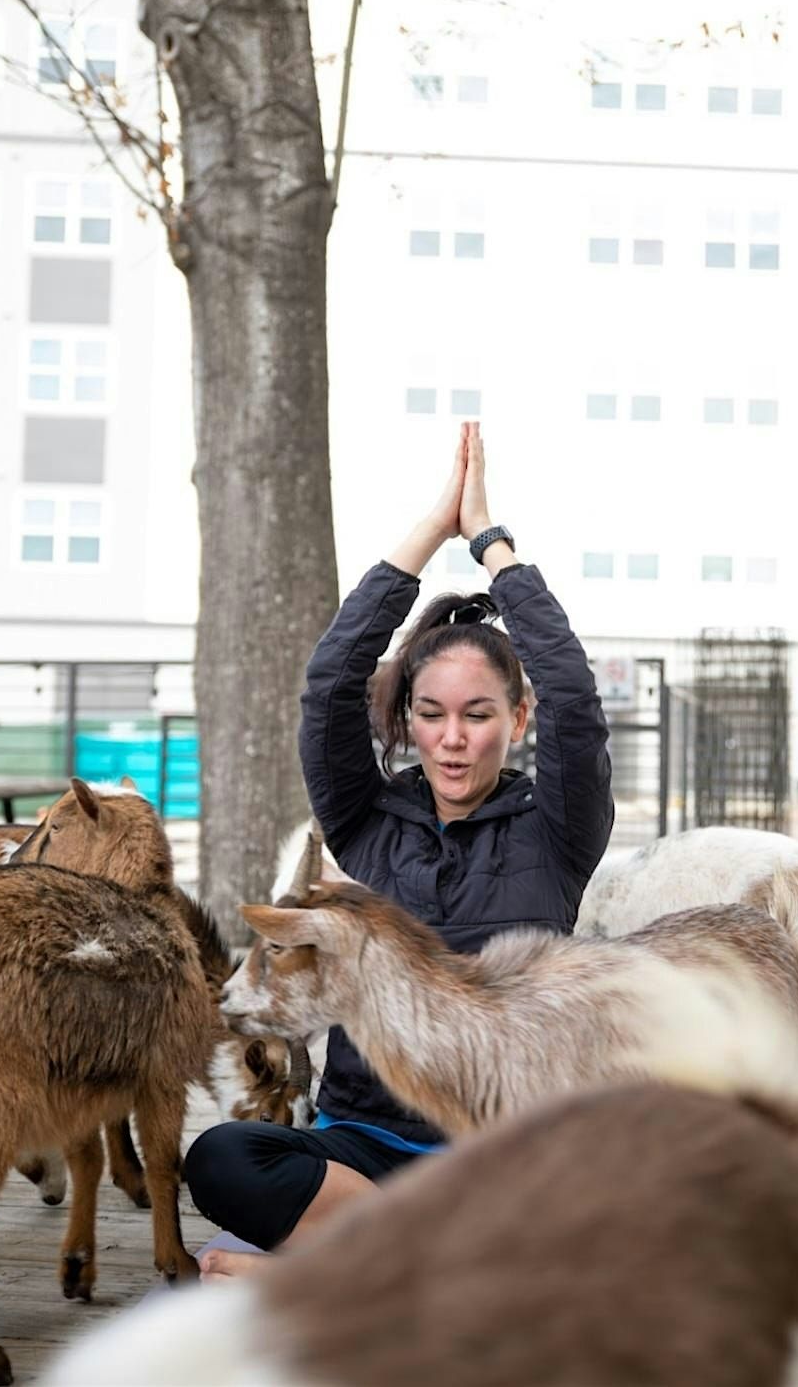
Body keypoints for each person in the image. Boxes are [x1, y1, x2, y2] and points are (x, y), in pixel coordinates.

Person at [186, 421, 614, 1279]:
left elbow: (571, 687)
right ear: (408, 718)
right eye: (432, 713)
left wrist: (492, 545)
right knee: (223, 1161)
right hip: (368, 1144)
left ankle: (339, 1275)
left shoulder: (559, 831)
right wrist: (431, 529)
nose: (452, 740)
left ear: (517, 721)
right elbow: (332, 682)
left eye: (479, 714)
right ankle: (433, 1272)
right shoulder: (365, 822)